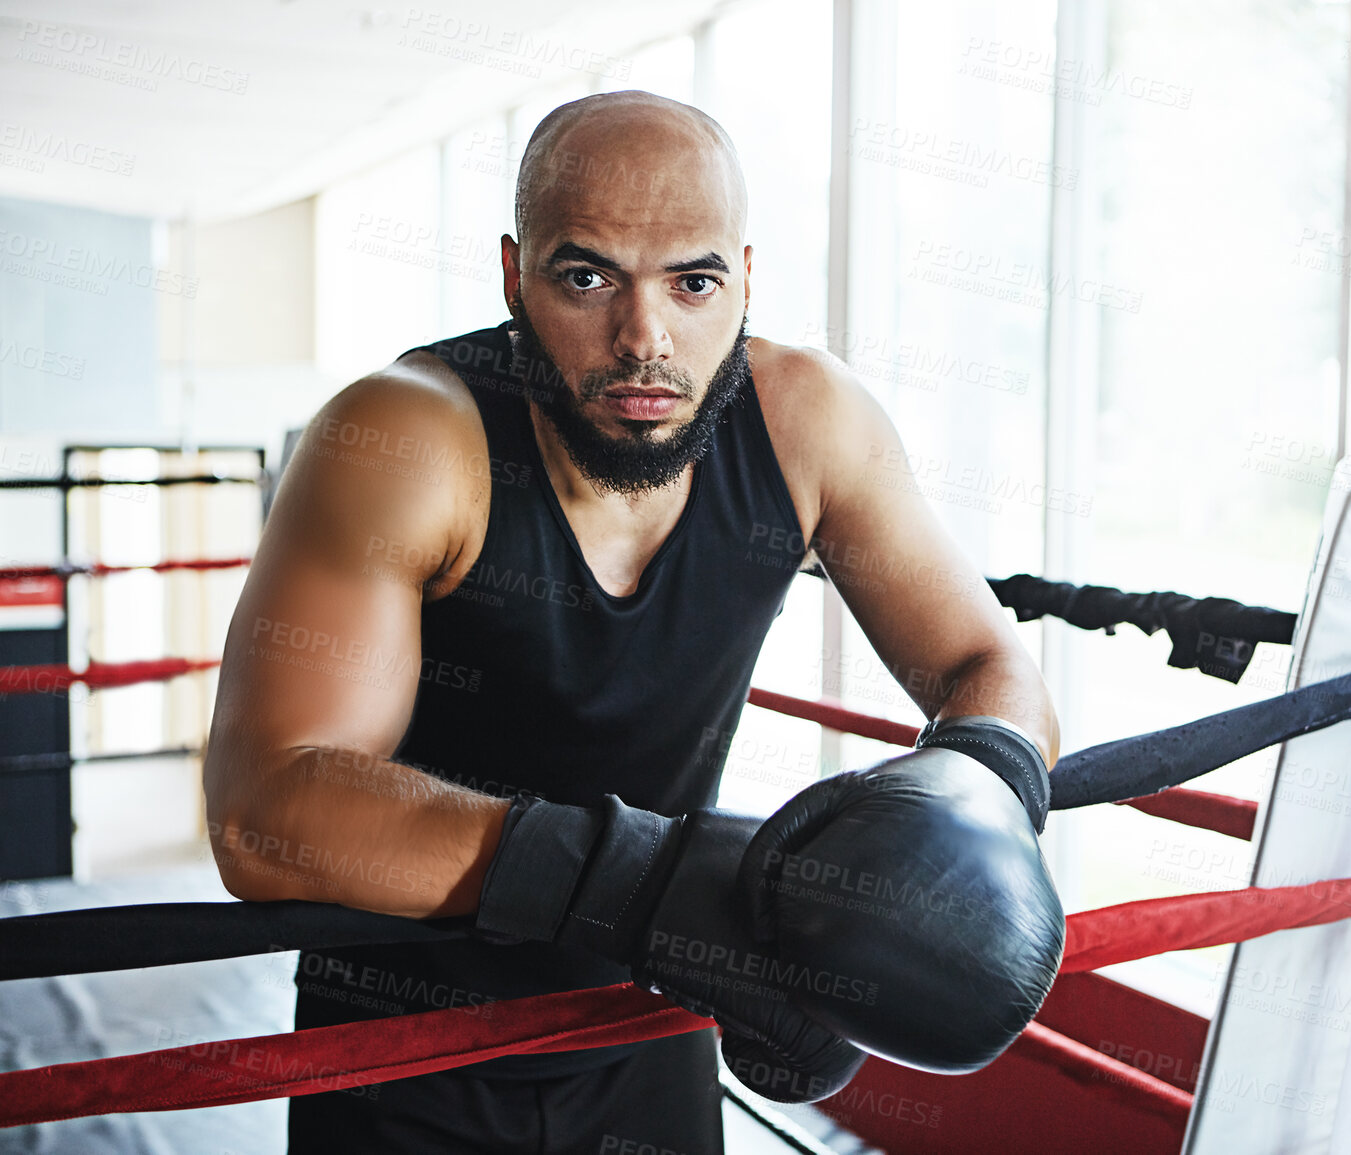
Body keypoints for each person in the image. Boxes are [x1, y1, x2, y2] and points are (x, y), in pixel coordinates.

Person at [203, 90, 1060, 1154]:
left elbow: (989, 667)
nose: (643, 338)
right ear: (514, 274)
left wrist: (965, 804)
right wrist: (651, 882)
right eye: (587, 276)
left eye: (693, 282)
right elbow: (266, 807)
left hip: (648, 1017)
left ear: (745, 278)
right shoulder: (407, 437)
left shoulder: (806, 423)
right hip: (402, 1042)